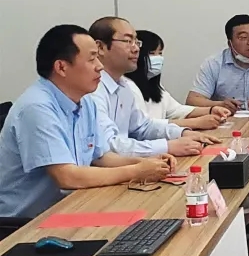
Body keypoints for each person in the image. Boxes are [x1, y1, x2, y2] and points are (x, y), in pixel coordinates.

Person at [0, 25, 172, 220]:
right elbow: (67, 176)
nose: (100, 66)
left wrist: (147, 162)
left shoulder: (85, 101)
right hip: (23, 224)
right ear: (61, 67)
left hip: (72, 206)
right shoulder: (36, 108)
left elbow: (101, 157)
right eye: (91, 59)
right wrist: (136, 171)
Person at [89, 17, 219, 158]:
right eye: (127, 41)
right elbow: (108, 146)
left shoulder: (124, 85)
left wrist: (182, 133)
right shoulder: (92, 90)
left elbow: (143, 127)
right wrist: (167, 146)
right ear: (100, 47)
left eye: (136, 42)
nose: (136, 49)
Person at [127, 30, 230, 130]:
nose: (158, 58)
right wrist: (195, 122)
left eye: (160, 53)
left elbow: (175, 110)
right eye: (152, 53)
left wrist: (211, 110)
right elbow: (146, 127)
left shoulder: (153, 84)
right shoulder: (128, 87)